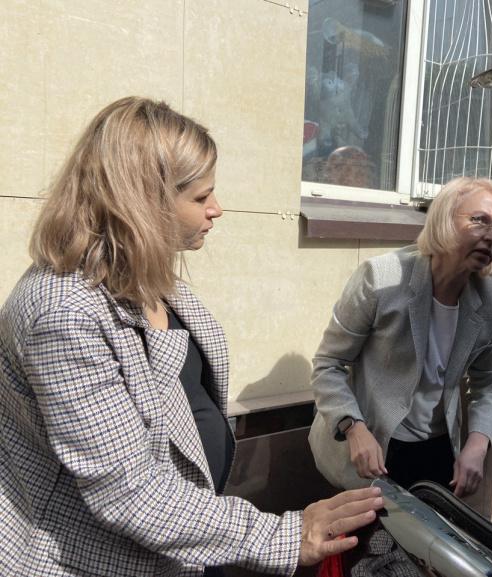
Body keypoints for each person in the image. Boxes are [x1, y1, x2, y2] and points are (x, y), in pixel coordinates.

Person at [0, 96, 383, 577]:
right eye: (201, 198)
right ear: (143, 201)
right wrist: (284, 536)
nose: (217, 209)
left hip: (181, 542)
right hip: (94, 561)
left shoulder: (147, 279)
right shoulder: (65, 313)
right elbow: (128, 491)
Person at [309, 177, 492, 497]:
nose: (491, 236)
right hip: (372, 443)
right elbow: (328, 364)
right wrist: (353, 427)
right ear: (444, 220)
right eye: (479, 220)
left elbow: (488, 383)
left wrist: (478, 443)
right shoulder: (382, 278)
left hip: (439, 447)